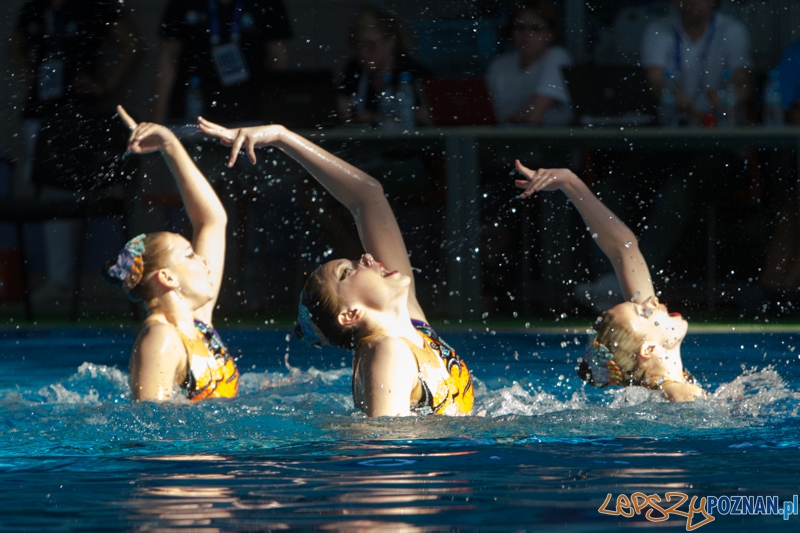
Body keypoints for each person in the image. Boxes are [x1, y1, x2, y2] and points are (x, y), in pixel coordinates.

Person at [197, 118, 473, 417]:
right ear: (350, 314)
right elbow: (385, 453)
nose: (366, 258)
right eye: (349, 271)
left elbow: (367, 197)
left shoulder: (412, 324)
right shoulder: (386, 352)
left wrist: (282, 136)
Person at [514, 162, 706, 402]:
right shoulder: (679, 393)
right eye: (644, 313)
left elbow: (624, 250)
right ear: (648, 350)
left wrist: (571, 183)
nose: (652, 301)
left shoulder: (667, 386)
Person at [104, 106, 238, 402]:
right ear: (166, 277)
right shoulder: (161, 339)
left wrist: (170, 145)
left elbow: (211, 221)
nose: (203, 259)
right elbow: (152, 430)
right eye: (190, 256)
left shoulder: (198, 323)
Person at [10, 0, 138, 306]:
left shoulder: (95, 7)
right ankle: (59, 280)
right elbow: (15, 44)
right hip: (42, 112)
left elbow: (132, 45)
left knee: (78, 195)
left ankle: (86, 281)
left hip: (82, 112)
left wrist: (105, 84)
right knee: (51, 194)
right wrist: (30, 74)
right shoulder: (34, 9)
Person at [151, 0, 293, 124]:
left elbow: (279, 64)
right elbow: (168, 60)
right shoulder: (184, 3)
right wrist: (156, 120)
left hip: (250, 111)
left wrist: (282, 120)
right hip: (193, 109)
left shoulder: (267, 2)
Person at [336, 6, 432, 127]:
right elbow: (343, 111)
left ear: (391, 41)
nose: (363, 52)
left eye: (370, 45)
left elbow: (428, 116)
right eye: (358, 46)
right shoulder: (355, 69)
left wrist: (379, 117)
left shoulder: (414, 71)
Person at [485, 0, 572, 125]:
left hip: (550, 142)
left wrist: (501, 123)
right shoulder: (499, 64)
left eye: (535, 28)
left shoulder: (557, 56)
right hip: (503, 139)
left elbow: (533, 116)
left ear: (551, 34)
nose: (526, 35)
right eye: (520, 27)